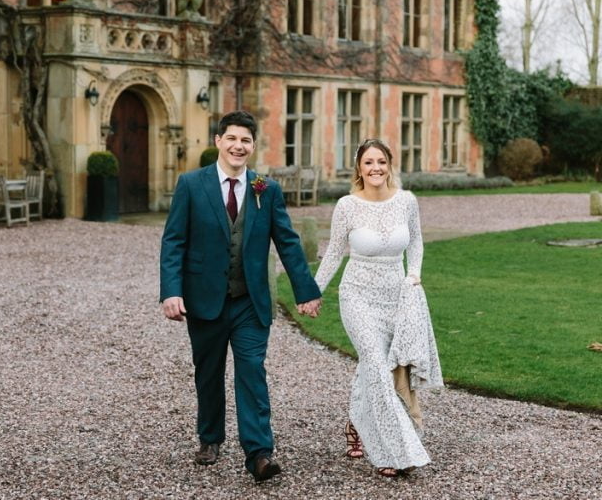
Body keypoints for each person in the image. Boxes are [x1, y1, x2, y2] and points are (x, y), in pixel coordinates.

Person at [160, 110, 322, 482]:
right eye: (232, 138)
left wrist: (305, 291)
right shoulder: (190, 184)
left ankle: (259, 453)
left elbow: (287, 242)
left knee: (252, 372)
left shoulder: (266, 188)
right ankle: (211, 437)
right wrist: (171, 291)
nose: (238, 146)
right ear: (218, 141)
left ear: (252, 146)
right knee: (209, 373)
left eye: (246, 140)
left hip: (250, 301)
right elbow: (174, 241)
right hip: (204, 299)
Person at [314, 138, 443, 478]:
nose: (375, 168)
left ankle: (356, 424)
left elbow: (415, 241)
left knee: (374, 367)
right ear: (359, 168)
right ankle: (396, 449)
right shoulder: (346, 206)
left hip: (397, 299)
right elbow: (333, 253)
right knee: (374, 361)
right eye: (368, 162)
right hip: (357, 297)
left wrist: (414, 276)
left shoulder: (406, 201)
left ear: (390, 165)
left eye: (381, 161)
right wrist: (312, 292)